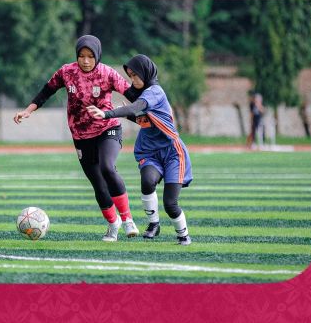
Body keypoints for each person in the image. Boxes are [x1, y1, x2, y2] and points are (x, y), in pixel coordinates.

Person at [13, 35, 140, 242]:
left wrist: (151, 110)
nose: (86, 60)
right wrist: (28, 110)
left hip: (108, 128)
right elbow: (47, 91)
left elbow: (133, 96)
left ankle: (127, 220)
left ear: (97, 56)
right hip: (81, 136)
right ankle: (112, 224)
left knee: (107, 168)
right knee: (98, 183)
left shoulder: (107, 73)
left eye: (90, 56)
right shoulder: (67, 71)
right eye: (82, 56)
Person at [86, 54, 193, 245]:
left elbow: (137, 107)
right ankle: (153, 224)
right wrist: (125, 114)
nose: (133, 80)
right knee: (147, 181)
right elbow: (145, 120)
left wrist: (107, 113)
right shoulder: (144, 93)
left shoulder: (154, 92)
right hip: (150, 152)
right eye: (130, 76)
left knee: (170, 204)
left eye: (136, 76)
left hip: (172, 153)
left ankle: (183, 235)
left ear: (146, 73)